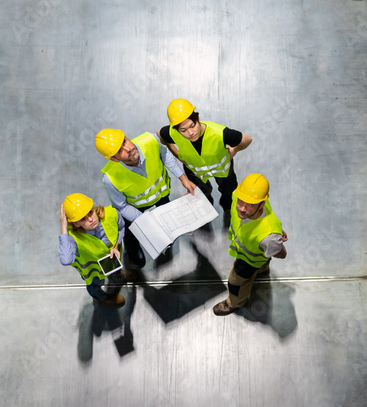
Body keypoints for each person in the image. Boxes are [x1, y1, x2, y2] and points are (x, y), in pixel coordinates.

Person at [95, 128, 196, 272]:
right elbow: (122, 207)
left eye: (124, 141)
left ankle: (166, 241)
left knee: (168, 224)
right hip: (135, 207)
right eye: (119, 150)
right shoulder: (110, 177)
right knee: (130, 233)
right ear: (114, 159)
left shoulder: (150, 140)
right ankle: (135, 261)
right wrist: (146, 221)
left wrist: (183, 178)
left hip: (161, 195)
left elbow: (165, 154)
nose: (129, 148)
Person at [159, 99, 252, 227]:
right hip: (195, 172)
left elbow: (247, 139)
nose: (190, 133)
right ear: (176, 129)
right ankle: (206, 207)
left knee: (228, 190)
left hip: (222, 170)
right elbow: (161, 135)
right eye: (183, 130)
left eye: (192, 125)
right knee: (201, 193)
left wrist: (234, 151)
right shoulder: (172, 132)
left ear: (198, 118)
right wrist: (176, 153)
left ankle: (227, 206)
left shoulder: (219, 132)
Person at [213, 174, 288, 316]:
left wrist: (274, 240)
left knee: (235, 283)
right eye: (241, 202)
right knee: (265, 253)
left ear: (262, 204)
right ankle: (263, 270)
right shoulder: (237, 194)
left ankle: (234, 303)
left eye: (250, 205)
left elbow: (282, 254)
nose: (242, 208)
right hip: (255, 251)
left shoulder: (269, 237)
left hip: (249, 261)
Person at [59, 193, 126, 307]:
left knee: (116, 272)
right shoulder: (73, 238)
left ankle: (116, 274)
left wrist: (115, 247)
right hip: (95, 273)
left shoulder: (111, 214)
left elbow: (121, 228)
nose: (90, 219)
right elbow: (66, 260)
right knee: (95, 286)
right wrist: (64, 228)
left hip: (113, 260)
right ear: (75, 223)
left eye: (90, 212)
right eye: (82, 219)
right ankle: (101, 299)